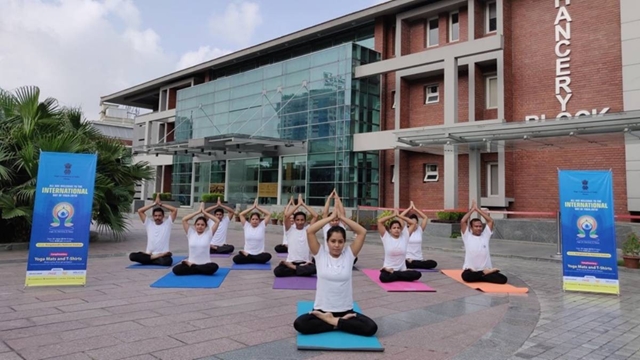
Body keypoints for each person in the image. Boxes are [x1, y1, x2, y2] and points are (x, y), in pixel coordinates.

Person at [293, 194, 377, 337]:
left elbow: (362, 232)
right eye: (333, 241)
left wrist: (342, 218)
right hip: (321, 311)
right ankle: (339, 323)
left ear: (344, 242)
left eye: (340, 242)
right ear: (327, 241)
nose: (337, 245)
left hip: (346, 311)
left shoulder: (349, 255)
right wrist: (331, 218)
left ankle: (333, 322)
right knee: (300, 324)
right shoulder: (320, 255)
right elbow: (310, 231)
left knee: (371, 328)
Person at [460, 200, 507, 284]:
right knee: (466, 276)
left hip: (486, 269)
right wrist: (472, 210)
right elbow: (463, 221)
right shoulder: (467, 236)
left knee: (503, 279)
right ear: (471, 228)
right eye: (476, 226)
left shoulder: (485, 236)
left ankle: (482, 274)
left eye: (480, 226)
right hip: (471, 270)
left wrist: (478, 210)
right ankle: (483, 275)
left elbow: (490, 221)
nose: (479, 228)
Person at [274, 194, 318, 277]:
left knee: (315, 269)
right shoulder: (290, 230)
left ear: (305, 221)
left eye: (302, 220)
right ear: (294, 221)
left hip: (305, 262)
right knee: (277, 271)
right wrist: (298, 205)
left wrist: (303, 204)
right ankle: (298, 269)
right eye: (297, 220)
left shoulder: (308, 230)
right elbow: (286, 216)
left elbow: (316, 216)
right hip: (291, 261)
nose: (300, 222)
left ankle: (293, 268)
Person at [172, 203, 220, 276]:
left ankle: (194, 267)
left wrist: (204, 212)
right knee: (176, 269)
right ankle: (197, 268)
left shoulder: (208, 234)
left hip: (205, 264)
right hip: (191, 263)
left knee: (214, 267)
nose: (200, 226)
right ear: (195, 225)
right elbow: (184, 220)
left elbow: (217, 221)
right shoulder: (191, 233)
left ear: (205, 226)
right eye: (198, 224)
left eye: (202, 225)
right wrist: (198, 212)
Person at [129, 194, 178, 266]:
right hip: (151, 254)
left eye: (159, 215)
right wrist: (154, 204)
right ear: (153, 216)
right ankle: (155, 257)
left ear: (163, 216)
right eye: (155, 216)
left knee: (168, 261)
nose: (157, 217)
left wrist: (161, 204)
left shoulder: (167, 224)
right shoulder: (149, 224)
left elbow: (174, 210)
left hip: (163, 256)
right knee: (132, 256)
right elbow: (140, 211)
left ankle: (149, 260)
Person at [376, 209, 422, 283]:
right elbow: (379, 222)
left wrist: (400, 216)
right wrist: (393, 215)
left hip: (400, 270)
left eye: (398, 228)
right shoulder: (386, 237)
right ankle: (399, 275)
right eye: (394, 228)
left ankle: (395, 274)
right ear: (390, 230)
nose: (396, 230)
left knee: (417, 274)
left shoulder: (405, 237)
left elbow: (413, 223)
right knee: (383, 277)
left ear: (401, 229)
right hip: (389, 268)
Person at [321, 190, 358, 265]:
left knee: (354, 257)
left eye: (337, 220)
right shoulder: (326, 226)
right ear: (328, 220)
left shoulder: (341, 225)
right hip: (328, 255)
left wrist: (337, 199)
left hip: (340, 255)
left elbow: (342, 212)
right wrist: (329, 198)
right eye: (332, 220)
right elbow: (325, 213)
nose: (335, 222)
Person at [232, 199, 273, 264]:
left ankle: (249, 257)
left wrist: (258, 207)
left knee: (268, 256)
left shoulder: (262, 225)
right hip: (247, 252)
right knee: (236, 259)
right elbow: (241, 214)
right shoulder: (246, 226)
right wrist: (252, 207)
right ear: (250, 220)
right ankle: (253, 258)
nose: (255, 221)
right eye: (253, 219)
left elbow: (268, 214)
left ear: (259, 220)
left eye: (256, 219)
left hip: (259, 254)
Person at [404, 201, 438, 270]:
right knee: (404, 262)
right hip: (408, 259)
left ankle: (415, 264)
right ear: (408, 224)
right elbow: (400, 217)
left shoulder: (420, 229)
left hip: (419, 259)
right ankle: (413, 264)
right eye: (412, 223)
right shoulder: (405, 231)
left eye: (416, 223)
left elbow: (425, 218)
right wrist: (409, 208)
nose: (414, 224)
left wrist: (415, 209)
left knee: (433, 263)